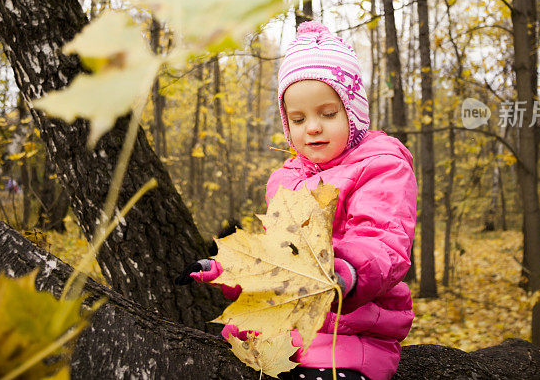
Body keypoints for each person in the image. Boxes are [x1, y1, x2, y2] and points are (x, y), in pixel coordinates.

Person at [176, 21, 418, 380]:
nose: (313, 128)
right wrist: (226, 269)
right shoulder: (285, 179)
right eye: (299, 118)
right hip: (276, 330)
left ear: (353, 113)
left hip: (346, 335)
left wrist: (344, 271)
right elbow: (275, 261)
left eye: (328, 113)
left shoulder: (381, 167)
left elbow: (383, 243)